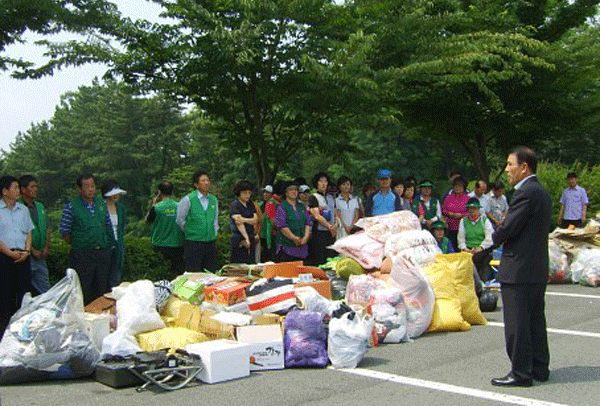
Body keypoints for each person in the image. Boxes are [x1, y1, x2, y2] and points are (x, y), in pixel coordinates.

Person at [490, 146, 552, 387]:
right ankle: (539, 367)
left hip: (519, 269)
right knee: (535, 321)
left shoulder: (526, 193)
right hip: (535, 269)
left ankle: (520, 373)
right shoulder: (542, 192)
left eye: (509, 164)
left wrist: (490, 242)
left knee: (517, 324)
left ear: (523, 167)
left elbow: (508, 227)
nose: (507, 170)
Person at [60, 174, 113, 305]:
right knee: (83, 289)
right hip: (82, 255)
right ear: (80, 189)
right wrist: (80, 243)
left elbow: (107, 225)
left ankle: (99, 316)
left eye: (93, 186)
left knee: (101, 289)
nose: (91, 189)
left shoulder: (102, 204)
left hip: (101, 253)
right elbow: (65, 231)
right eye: (87, 186)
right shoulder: (71, 206)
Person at [0, 175, 34, 336]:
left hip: (23, 257)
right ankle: (4, 334)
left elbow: (29, 232)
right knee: (5, 297)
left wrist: (26, 251)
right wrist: (9, 253)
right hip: (4, 257)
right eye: (14, 188)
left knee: (24, 296)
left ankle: (23, 333)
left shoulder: (24, 210)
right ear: (5, 191)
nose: (18, 191)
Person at [176, 170, 219, 272]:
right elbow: (180, 220)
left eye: (207, 180)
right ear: (196, 184)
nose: (206, 183)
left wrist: (215, 233)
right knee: (193, 272)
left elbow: (215, 219)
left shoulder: (213, 200)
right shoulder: (188, 199)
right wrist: (190, 230)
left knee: (210, 272)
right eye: (203, 180)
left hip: (210, 242)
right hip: (194, 242)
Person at [18, 174, 51, 295]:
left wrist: (46, 247)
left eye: (36, 186)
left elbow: (47, 227)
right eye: (32, 186)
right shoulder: (18, 207)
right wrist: (31, 250)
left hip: (41, 254)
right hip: (26, 255)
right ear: (23, 189)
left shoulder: (39, 206)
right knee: (25, 290)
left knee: (45, 289)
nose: (35, 189)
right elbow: (19, 233)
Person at [146, 182, 185, 275]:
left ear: (159, 192)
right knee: (178, 273)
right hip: (178, 244)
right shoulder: (179, 206)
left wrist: (154, 203)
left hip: (160, 244)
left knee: (162, 273)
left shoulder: (156, 208)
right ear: (172, 192)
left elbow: (148, 221)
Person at [458, 197, 494, 281]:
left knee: (482, 258)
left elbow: (489, 238)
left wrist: (481, 247)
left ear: (478, 209)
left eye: (475, 208)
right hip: (468, 249)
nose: (472, 210)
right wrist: (465, 248)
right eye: (470, 208)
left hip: (482, 249)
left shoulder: (484, 220)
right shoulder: (463, 221)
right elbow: (461, 239)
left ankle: (483, 281)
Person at [275, 182, 312, 262]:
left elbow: (308, 223)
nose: (294, 192)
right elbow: (282, 226)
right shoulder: (281, 207)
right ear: (286, 192)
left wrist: (305, 238)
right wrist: (294, 238)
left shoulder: (301, 206)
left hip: (302, 247)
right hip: (287, 247)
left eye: (296, 190)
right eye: (291, 190)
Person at [102, 180, 127, 288]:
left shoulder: (120, 208)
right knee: (103, 275)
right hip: (105, 245)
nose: (116, 195)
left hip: (118, 245)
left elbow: (122, 226)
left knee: (116, 275)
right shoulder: (100, 207)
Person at [307, 172, 337, 266]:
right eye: (321, 181)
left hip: (331, 232)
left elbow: (335, 213)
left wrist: (335, 226)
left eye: (325, 181)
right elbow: (316, 215)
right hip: (319, 232)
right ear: (316, 183)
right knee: (320, 258)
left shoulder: (331, 197)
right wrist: (329, 226)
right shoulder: (313, 197)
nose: (323, 184)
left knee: (331, 258)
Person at [229, 180, 258, 264]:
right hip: (239, 238)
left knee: (251, 262)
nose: (247, 195)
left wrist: (244, 219)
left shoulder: (250, 205)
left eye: (249, 193)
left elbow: (255, 220)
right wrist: (246, 238)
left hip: (251, 234)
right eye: (245, 193)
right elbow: (239, 223)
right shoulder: (235, 205)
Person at [441, 176, 470, 252]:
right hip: (450, 227)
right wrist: (449, 214)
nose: (457, 188)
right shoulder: (449, 198)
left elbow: (470, 212)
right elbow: (443, 210)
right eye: (456, 186)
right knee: (452, 248)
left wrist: (461, 215)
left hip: (463, 227)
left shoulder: (468, 198)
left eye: (460, 186)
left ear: (464, 187)